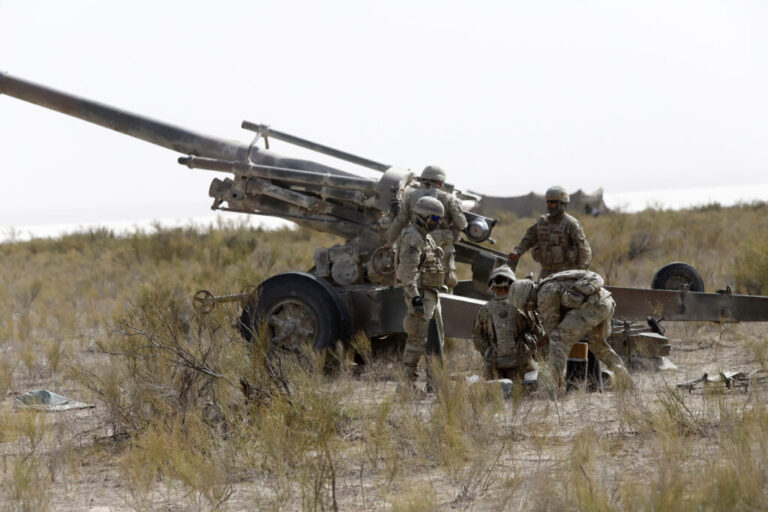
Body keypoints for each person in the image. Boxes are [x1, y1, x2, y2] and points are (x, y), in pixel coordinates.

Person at [535, 269, 632, 389]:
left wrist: (546, 339)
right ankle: (625, 379)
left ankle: (554, 387)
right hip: (605, 302)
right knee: (598, 345)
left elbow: (552, 329)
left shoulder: (544, 293)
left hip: (592, 306)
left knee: (558, 338)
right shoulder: (553, 280)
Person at [386, 165, 467, 290]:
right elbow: (462, 224)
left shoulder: (411, 197)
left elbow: (400, 222)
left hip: (417, 243)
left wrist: (388, 241)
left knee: (413, 279)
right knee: (444, 283)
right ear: (440, 182)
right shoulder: (449, 199)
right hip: (442, 248)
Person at [396, 195, 447, 391]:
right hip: (421, 295)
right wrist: (414, 296)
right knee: (417, 339)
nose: (437, 223)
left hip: (432, 295)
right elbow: (406, 271)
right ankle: (407, 384)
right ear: (422, 216)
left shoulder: (425, 237)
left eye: (438, 219)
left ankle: (434, 381)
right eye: (434, 219)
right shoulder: (413, 237)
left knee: (436, 339)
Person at [472, 266, 543, 381]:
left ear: (492, 286)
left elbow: (477, 339)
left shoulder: (484, 310)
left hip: (494, 368)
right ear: (512, 285)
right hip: (522, 366)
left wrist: (490, 352)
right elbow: (538, 332)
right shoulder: (522, 307)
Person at [508, 185, 591, 279]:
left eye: (553, 202)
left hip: (565, 273)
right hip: (545, 272)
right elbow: (529, 238)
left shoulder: (571, 224)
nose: (549, 205)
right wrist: (518, 252)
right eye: (548, 202)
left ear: (562, 204)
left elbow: (584, 249)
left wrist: (579, 274)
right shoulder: (542, 222)